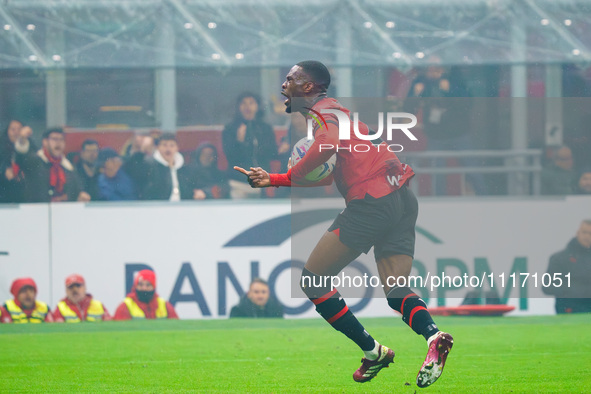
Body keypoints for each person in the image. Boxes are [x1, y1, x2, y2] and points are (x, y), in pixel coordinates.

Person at [234, 60, 452, 388]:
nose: (283, 85)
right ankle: (434, 336)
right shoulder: (341, 117)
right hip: (402, 197)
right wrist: (276, 179)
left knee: (313, 281)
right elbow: (329, 172)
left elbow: (324, 148)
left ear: (308, 87)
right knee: (395, 291)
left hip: (371, 201)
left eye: (290, 79)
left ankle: (373, 351)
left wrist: (289, 175)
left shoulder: (324, 112)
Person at [222, 92, 278, 199]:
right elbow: (230, 155)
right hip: (239, 183)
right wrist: (239, 141)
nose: (247, 106)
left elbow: (272, 152)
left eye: (251, 103)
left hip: (262, 183)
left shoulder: (265, 128)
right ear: (238, 107)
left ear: (257, 106)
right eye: (243, 103)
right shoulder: (230, 128)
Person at [14, 127, 90, 202]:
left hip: (63, 212)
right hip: (37, 212)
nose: (58, 143)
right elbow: (20, 157)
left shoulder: (68, 167)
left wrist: (80, 196)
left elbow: (76, 191)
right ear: (45, 142)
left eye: (61, 139)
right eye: (55, 139)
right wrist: (22, 140)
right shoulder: (35, 161)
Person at [543, 220, 591, 314]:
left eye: (590, 233)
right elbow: (548, 286)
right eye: (584, 232)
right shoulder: (560, 259)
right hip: (569, 311)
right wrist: (575, 290)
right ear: (578, 233)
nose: (587, 236)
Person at [141, 133, 199, 201]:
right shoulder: (149, 166)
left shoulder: (184, 168)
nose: (168, 149)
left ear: (177, 148)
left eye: (172, 145)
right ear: (158, 147)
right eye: (164, 145)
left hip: (182, 207)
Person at [113, 269, 178, 320]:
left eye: (148, 285)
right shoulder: (125, 306)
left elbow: (176, 328)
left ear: (154, 287)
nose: (144, 288)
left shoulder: (165, 306)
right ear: (135, 286)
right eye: (140, 285)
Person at [0, 119, 32, 203]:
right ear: (7, 131)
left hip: (24, 195)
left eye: (19, 129)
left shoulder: (30, 147)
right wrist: (3, 170)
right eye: (13, 129)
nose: (16, 132)